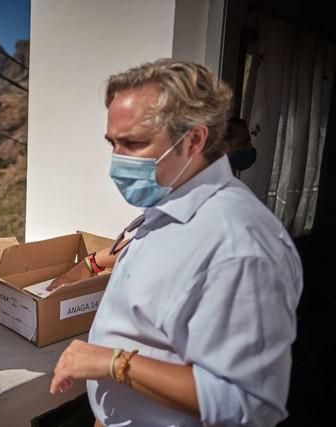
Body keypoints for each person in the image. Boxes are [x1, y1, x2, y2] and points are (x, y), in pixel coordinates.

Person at [49, 59, 302, 427]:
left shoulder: (239, 245)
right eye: (113, 144)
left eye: (133, 143)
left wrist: (113, 363)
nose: (117, 161)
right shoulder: (165, 207)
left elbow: (248, 403)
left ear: (194, 139)